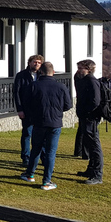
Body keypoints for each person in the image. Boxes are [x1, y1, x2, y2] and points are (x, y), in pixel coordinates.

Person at [20, 62, 72, 191]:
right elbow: (68, 105)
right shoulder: (61, 86)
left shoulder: (33, 86)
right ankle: (46, 181)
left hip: (38, 122)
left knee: (36, 149)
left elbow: (26, 104)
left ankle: (30, 174)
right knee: (50, 152)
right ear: (53, 72)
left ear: (40, 72)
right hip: (55, 122)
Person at [76, 59, 104, 185]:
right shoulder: (83, 80)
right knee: (88, 143)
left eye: (81, 68)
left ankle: (97, 174)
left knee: (94, 145)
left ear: (89, 69)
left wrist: (87, 112)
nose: (78, 70)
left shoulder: (92, 82)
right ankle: (91, 169)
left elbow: (95, 101)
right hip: (85, 116)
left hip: (90, 117)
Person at [14, 54, 43, 166]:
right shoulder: (21, 75)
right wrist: (19, 109)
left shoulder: (42, 75)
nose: (36, 64)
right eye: (35, 62)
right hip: (26, 109)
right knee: (27, 133)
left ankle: (42, 157)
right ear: (29, 62)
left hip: (39, 110)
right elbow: (16, 93)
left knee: (41, 135)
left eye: (39, 63)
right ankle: (25, 157)